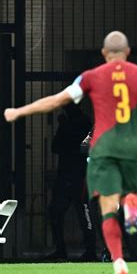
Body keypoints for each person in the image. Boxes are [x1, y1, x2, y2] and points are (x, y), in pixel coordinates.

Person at [4, 31, 137, 274]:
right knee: (134, 201)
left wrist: (20, 111)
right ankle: (130, 208)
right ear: (127, 53)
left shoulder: (91, 77)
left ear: (104, 54)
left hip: (103, 148)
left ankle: (117, 259)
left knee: (105, 208)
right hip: (132, 147)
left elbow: (56, 100)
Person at [47, 104, 97, 261]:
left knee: (77, 213)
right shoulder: (84, 123)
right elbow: (56, 147)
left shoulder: (76, 124)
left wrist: (64, 128)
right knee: (82, 213)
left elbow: (56, 147)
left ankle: (66, 249)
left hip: (74, 176)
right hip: (77, 175)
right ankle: (88, 250)